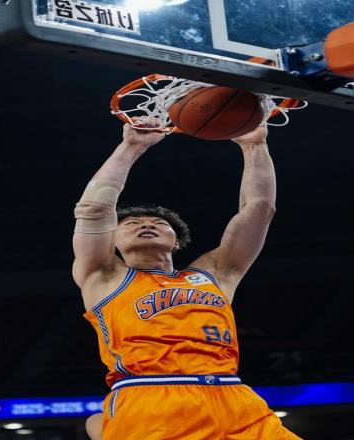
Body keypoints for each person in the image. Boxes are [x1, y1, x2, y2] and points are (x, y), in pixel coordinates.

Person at [73, 120, 301, 439]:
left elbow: (259, 209)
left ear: (176, 241)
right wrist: (132, 146)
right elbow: (93, 209)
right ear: (113, 241)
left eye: (159, 223)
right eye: (132, 223)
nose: (146, 224)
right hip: (153, 397)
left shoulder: (216, 272)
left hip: (234, 398)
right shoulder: (104, 276)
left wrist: (254, 144)